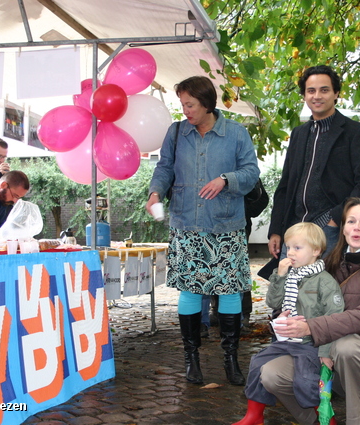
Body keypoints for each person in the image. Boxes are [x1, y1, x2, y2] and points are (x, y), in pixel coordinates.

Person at [146, 76, 260, 386]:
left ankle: (230, 360)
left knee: (230, 291)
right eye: (182, 104)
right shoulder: (176, 132)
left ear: (207, 103)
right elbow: (164, 167)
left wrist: (226, 179)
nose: (185, 111)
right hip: (187, 224)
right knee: (189, 290)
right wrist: (156, 191)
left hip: (226, 226)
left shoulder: (236, 133)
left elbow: (251, 173)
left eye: (190, 104)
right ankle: (191, 359)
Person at [255, 198, 360, 425]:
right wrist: (285, 318)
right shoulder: (328, 263)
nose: (356, 227)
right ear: (343, 228)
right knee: (270, 374)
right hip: (319, 358)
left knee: (347, 345)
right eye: (351, 221)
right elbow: (295, 301)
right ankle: (317, 420)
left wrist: (310, 327)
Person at [232, 222, 344, 425]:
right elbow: (273, 302)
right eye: (289, 247)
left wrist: (326, 352)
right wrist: (279, 277)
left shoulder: (325, 281)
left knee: (306, 379)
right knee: (257, 362)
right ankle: (254, 415)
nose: (290, 252)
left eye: (297, 248)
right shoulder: (290, 276)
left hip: (311, 343)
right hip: (286, 341)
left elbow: (334, 319)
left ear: (316, 251)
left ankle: (327, 418)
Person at [268, 65, 360, 262]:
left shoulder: (356, 133)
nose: (317, 96)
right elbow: (285, 185)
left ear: (336, 93)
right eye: (311, 91)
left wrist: (335, 220)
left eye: (324, 90)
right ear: (304, 95)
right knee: (290, 290)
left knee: (324, 290)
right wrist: (276, 230)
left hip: (329, 230)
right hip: (295, 230)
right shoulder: (298, 134)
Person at [207, 178, 270, 335]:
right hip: (211, 224)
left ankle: (243, 314)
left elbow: (262, 198)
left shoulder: (243, 168)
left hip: (239, 226)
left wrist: (244, 210)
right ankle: (216, 309)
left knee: (237, 269)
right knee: (214, 267)